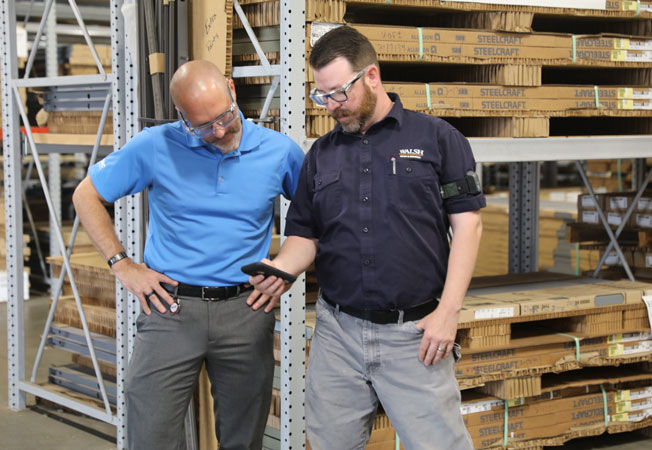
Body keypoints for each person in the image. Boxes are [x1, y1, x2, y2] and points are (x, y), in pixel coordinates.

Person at [247, 26, 484, 449]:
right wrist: (280, 269)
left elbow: (469, 226)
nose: (332, 107)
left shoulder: (437, 139)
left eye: (340, 93)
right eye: (322, 96)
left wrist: (448, 312)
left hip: (415, 335)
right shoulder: (321, 154)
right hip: (337, 334)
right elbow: (306, 235)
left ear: (371, 76)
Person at [73, 60, 305, 450]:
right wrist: (122, 265)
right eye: (202, 126)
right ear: (181, 117)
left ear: (232, 90)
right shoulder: (155, 145)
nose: (218, 131)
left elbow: (314, 216)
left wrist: (285, 267)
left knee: (243, 438)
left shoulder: (279, 151)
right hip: (170, 308)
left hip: (246, 310)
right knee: (150, 433)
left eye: (225, 118)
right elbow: (86, 194)